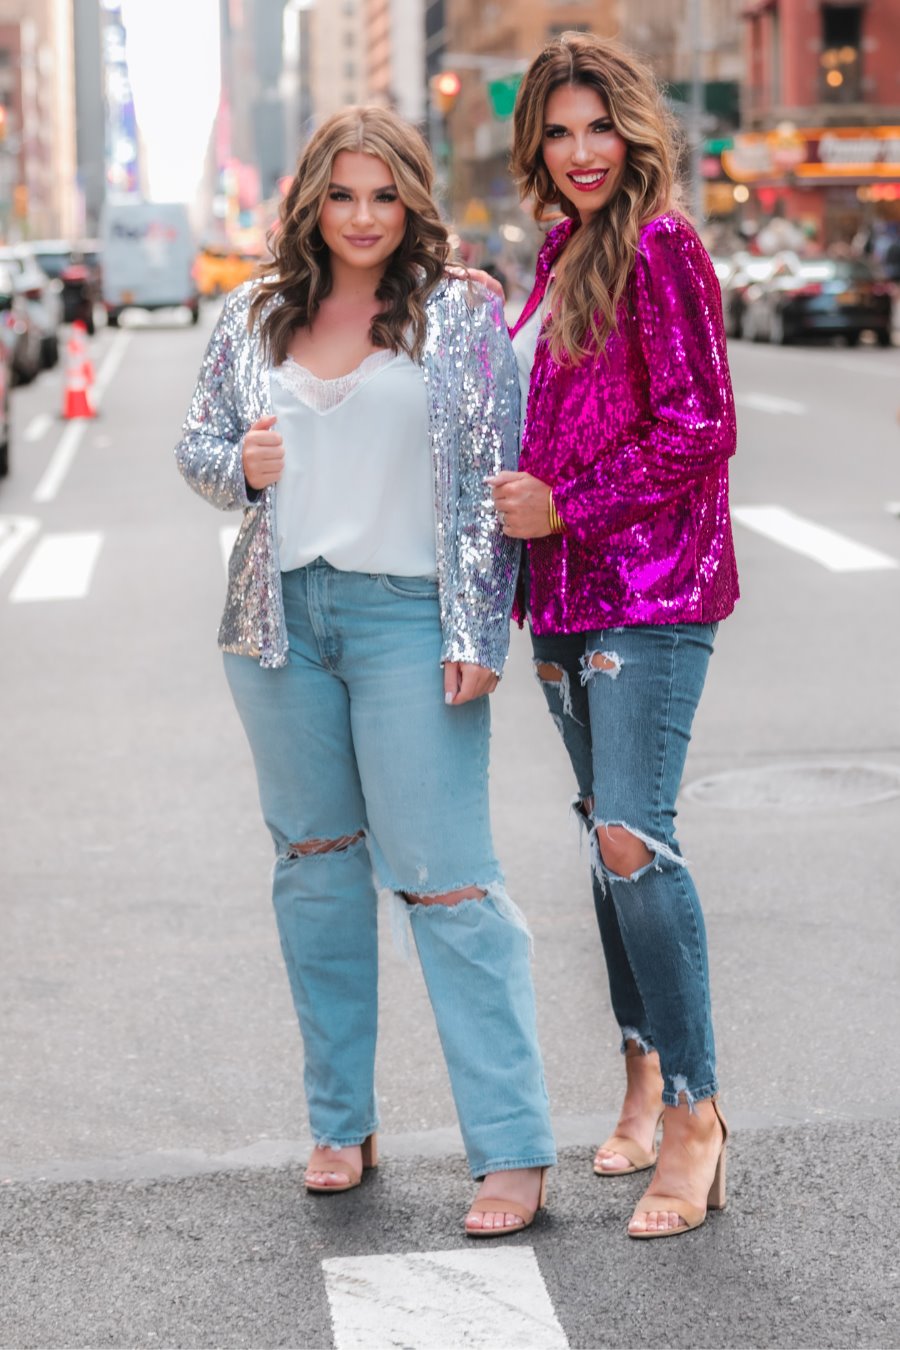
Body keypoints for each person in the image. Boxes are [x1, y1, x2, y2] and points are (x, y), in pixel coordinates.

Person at [175, 106, 556, 1237]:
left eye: (384, 195)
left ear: (413, 201)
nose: (362, 217)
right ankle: (341, 1122)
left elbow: (499, 478)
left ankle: (513, 1147)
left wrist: (478, 636)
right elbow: (198, 452)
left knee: (447, 881)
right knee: (316, 872)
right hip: (279, 625)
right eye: (342, 195)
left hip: (407, 619)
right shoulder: (252, 313)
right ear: (311, 202)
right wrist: (239, 468)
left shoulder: (460, 316)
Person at [490, 32, 738, 1239]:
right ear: (537, 143)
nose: (583, 152)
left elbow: (702, 426)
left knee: (636, 836)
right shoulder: (559, 253)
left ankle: (696, 1116)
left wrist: (567, 506)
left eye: (601, 127)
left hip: (653, 587)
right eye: (560, 130)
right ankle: (640, 1075)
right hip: (565, 595)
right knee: (604, 840)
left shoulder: (661, 242)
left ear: (634, 128)